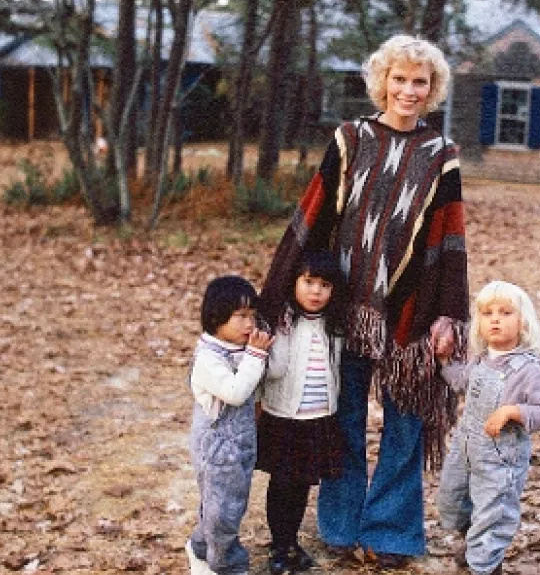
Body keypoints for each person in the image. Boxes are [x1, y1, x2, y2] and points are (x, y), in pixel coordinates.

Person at [260, 34, 469, 569]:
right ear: (381, 81)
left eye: (419, 81)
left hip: (413, 310)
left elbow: (450, 239)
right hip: (344, 308)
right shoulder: (351, 139)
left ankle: (391, 532)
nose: (408, 90)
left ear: (433, 88)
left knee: (406, 425)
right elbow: (314, 216)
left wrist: (449, 314)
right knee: (343, 418)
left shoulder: (441, 155)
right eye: (399, 79)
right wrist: (277, 297)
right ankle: (341, 524)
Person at [436, 281, 540, 575]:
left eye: (505, 313)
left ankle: (486, 563)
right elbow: (462, 382)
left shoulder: (528, 370)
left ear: (523, 322)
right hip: (466, 450)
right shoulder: (480, 360)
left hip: (500, 459)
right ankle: (474, 542)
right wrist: (444, 362)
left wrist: (513, 411)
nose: (495, 320)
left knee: (493, 512)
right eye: (487, 313)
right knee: (452, 500)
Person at [256, 251, 347, 575]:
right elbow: (272, 370)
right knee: (282, 483)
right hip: (284, 417)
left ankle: (292, 541)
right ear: (294, 282)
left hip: (318, 417)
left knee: (302, 484)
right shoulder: (281, 322)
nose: (316, 291)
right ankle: (279, 546)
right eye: (308, 282)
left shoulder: (335, 326)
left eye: (325, 285)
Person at [186, 276, 273, 575]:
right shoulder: (208, 358)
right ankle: (227, 566)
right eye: (241, 316)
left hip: (241, 443)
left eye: (253, 316)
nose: (250, 324)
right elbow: (235, 393)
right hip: (217, 448)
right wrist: (256, 356)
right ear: (216, 317)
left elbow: (257, 386)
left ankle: (200, 549)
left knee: (225, 506)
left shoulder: (241, 350)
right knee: (223, 512)